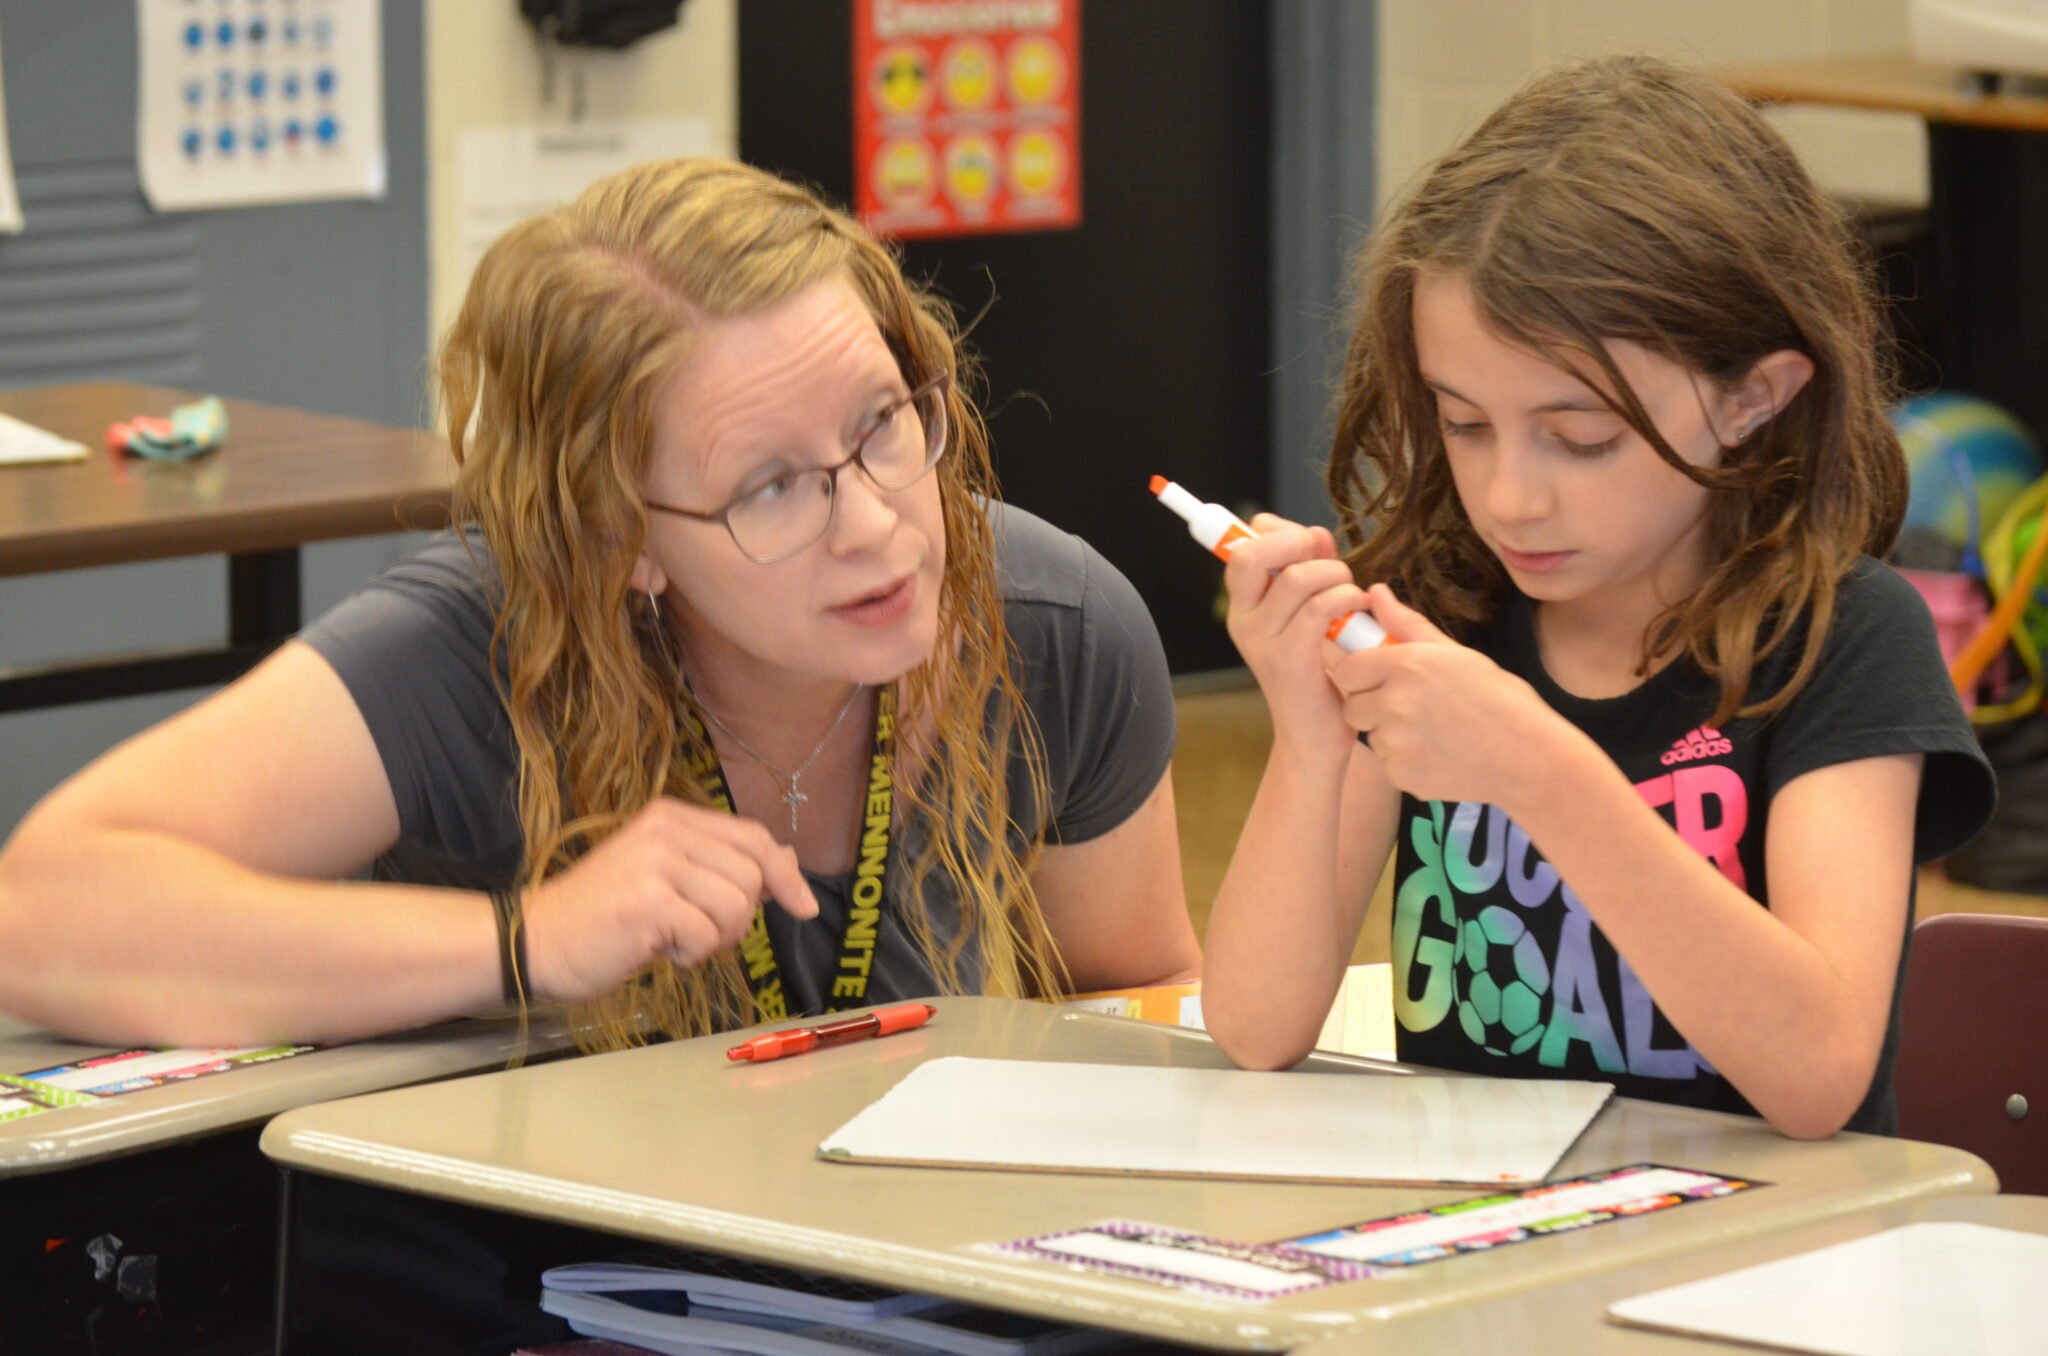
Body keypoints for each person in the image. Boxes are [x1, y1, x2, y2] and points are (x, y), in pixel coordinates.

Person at [0, 159, 1197, 1048]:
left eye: (883, 422)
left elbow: (1136, 1018)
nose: (877, 523)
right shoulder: (479, 650)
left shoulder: (1053, 629)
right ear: (619, 535)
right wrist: (530, 941)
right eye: (771, 488)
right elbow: (39, 916)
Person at [1200, 56, 1994, 1139]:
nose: (1508, 497)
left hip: (1752, 1267)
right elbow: (1252, 1026)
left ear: (1751, 397)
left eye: (1580, 438)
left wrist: (1537, 770)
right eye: (1463, 423)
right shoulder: (1445, 606)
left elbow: (1818, 1077)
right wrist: (1306, 737)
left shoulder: (1843, 638)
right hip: (1475, 1251)